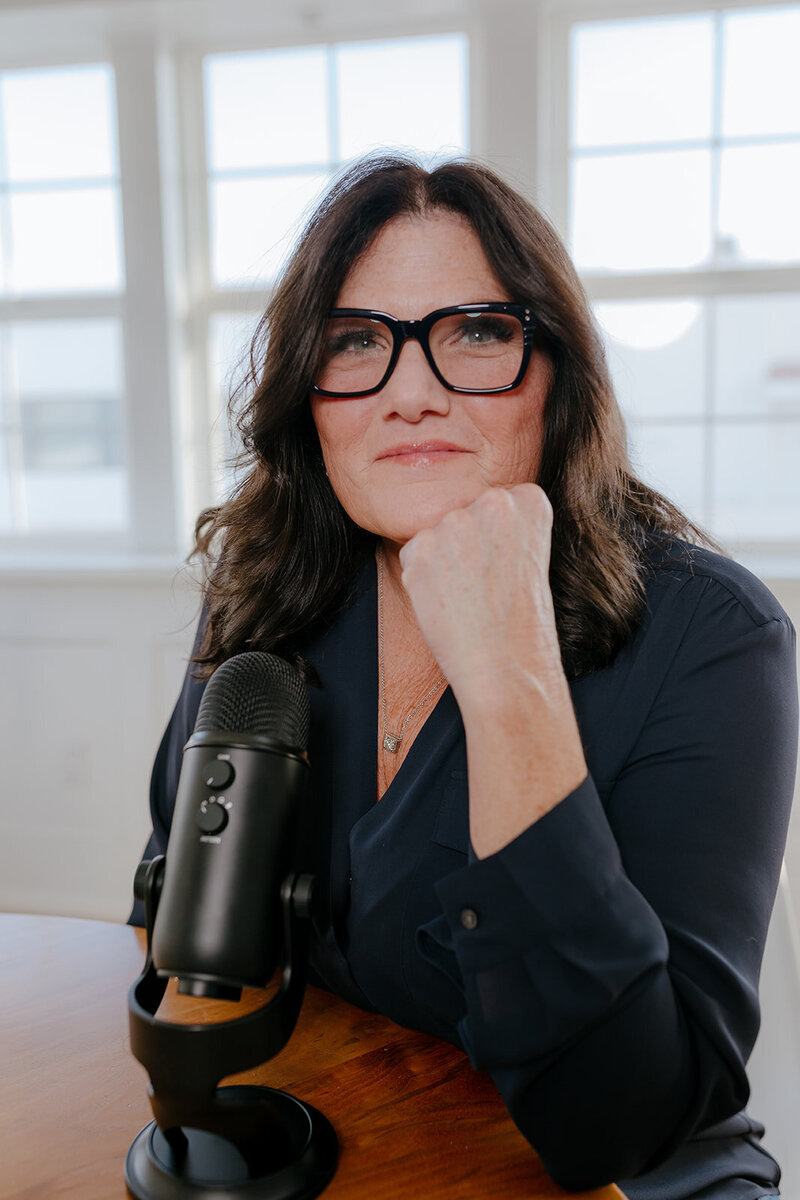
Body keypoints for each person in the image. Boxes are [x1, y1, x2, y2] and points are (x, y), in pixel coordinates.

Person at [129, 154, 798, 1199]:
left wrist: (507, 673)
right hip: (358, 1133)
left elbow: (622, 1118)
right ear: (309, 394)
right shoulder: (266, 587)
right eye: (356, 342)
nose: (409, 394)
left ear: (553, 374)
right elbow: (177, 909)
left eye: (475, 333)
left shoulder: (711, 633)